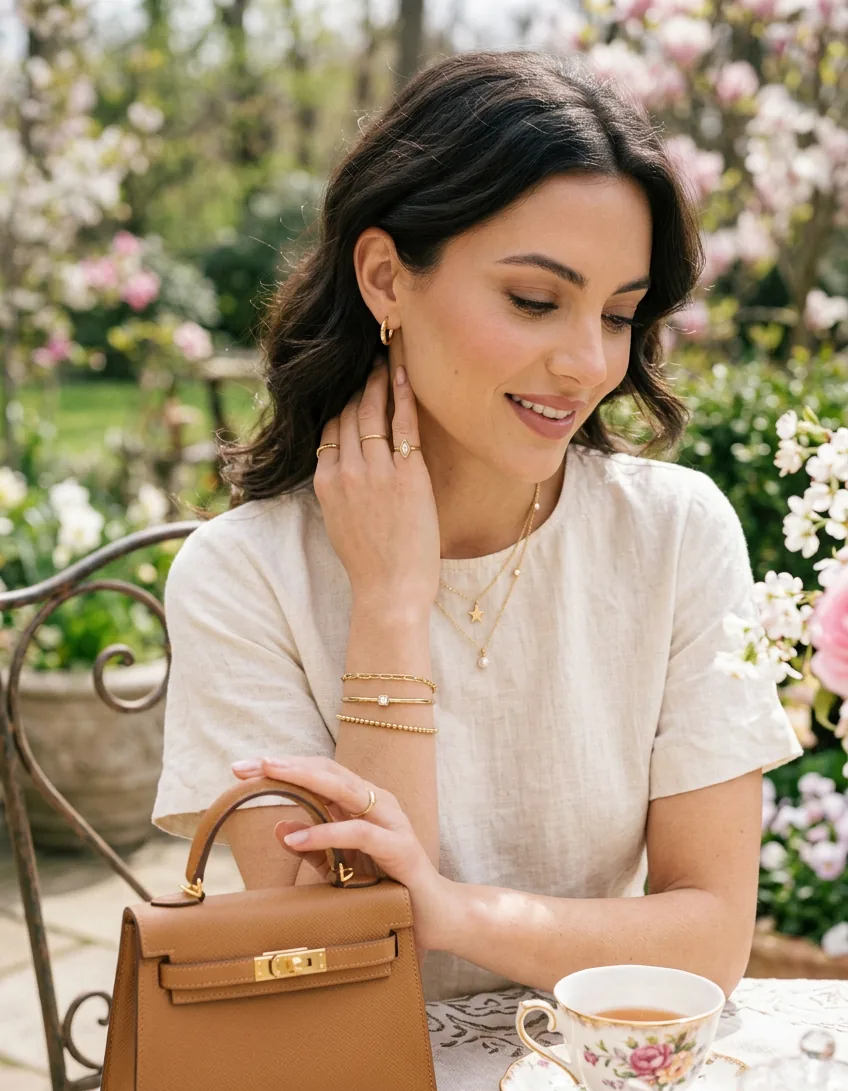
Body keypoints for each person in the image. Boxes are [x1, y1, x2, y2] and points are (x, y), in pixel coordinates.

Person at [152, 50, 802, 1002]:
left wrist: (453, 913)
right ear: (385, 277)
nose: (588, 363)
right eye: (535, 301)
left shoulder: (676, 537)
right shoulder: (241, 579)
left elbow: (709, 939)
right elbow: (350, 970)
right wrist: (389, 602)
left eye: (619, 315)